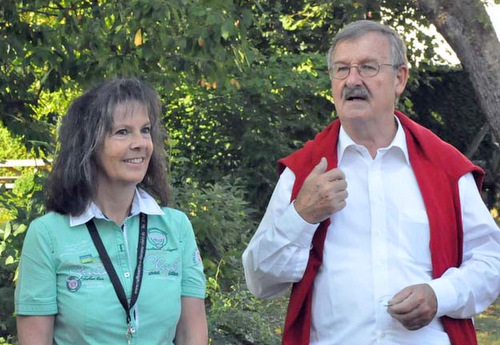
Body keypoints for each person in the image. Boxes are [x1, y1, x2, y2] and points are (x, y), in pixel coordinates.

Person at [242, 20, 500, 345]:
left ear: (400, 78)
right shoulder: (305, 172)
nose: (352, 80)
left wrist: (441, 295)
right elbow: (260, 281)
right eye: (341, 69)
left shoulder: (446, 168)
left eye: (367, 67)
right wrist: (301, 216)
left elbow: (492, 260)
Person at [15, 78, 208, 345]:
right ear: (88, 145)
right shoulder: (47, 235)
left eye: (145, 130)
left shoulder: (177, 228)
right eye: (122, 132)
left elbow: (191, 335)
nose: (140, 143)